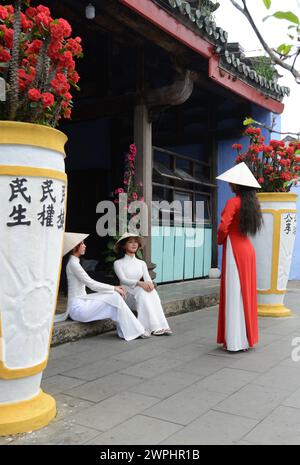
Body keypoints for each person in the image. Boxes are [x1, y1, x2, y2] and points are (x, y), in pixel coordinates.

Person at [62, 232, 150, 341]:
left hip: (82, 302)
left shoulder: (74, 262)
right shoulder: (73, 264)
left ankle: (126, 330)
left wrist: (114, 289)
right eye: (82, 244)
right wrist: (114, 287)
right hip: (78, 308)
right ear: (75, 247)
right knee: (114, 295)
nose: (85, 246)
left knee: (114, 298)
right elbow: (91, 284)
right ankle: (135, 330)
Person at [216, 162, 263, 352]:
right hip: (247, 249)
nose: (229, 185)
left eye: (231, 182)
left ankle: (235, 341)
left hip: (234, 249)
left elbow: (222, 227)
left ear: (237, 184)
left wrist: (220, 241)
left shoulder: (233, 202)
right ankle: (244, 339)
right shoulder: (253, 204)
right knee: (246, 293)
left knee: (234, 292)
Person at [113, 233, 172, 336]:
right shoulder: (118, 263)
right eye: (130, 242)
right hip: (126, 294)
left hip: (138, 292)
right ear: (123, 246)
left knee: (151, 291)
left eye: (135, 242)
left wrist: (150, 284)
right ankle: (148, 327)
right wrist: (139, 283)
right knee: (142, 291)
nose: (134, 244)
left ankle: (161, 325)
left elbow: (148, 279)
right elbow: (123, 279)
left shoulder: (141, 263)